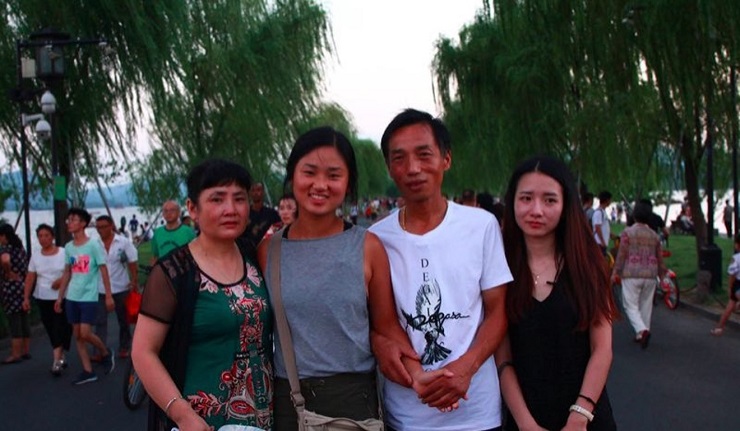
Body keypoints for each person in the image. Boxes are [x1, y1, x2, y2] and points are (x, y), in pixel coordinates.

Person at [257, 126, 412, 431]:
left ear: (348, 183)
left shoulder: (368, 247)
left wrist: (421, 374)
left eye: (333, 175)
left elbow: (387, 328)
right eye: (309, 172)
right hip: (289, 404)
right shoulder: (268, 251)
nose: (320, 185)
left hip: (353, 404)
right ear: (292, 177)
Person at [370, 109, 512, 431]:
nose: (413, 168)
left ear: (446, 159)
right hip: (408, 415)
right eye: (399, 158)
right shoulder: (376, 239)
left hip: (477, 413)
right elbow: (380, 323)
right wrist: (411, 371)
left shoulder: (481, 226)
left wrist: (466, 368)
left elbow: (498, 311)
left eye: (424, 154)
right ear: (389, 168)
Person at [132, 159, 273, 431]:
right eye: (217, 199)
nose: (230, 209)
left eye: (239, 199)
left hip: (262, 415)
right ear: (192, 209)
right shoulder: (174, 272)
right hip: (200, 421)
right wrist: (183, 415)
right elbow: (143, 351)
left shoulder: (253, 255)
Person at [495, 156, 617, 430]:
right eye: (526, 198)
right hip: (525, 419)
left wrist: (580, 415)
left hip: (587, 418)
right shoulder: (499, 268)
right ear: (512, 202)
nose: (536, 210)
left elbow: (602, 349)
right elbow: (503, 360)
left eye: (549, 200)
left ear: (565, 205)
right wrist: (526, 424)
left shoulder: (588, 265)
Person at [55, 208, 115, 384]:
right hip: (72, 297)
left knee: (85, 332)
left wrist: (109, 295)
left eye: (73, 220)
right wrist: (60, 297)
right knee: (78, 335)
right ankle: (88, 371)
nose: (69, 223)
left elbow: (103, 270)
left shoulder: (93, 245)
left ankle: (105, 352)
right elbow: (67, 272)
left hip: (88, 297)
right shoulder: (69, 247)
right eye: (68, 220)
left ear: (83, 224)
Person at [611, 201, 665, 348]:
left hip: (631, 272)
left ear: (634, 215)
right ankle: (642, 332)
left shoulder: (627, 233)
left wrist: (615, 272)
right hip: (650, 274)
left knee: (630, 304)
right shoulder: (654, 235)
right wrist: (662, 275)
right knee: (646, 304)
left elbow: (621, 255)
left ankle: (641, 330)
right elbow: (660, 258)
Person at [22, 224, 73, 375]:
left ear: (52, 237)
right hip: (43, 296)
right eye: (40, 236)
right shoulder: (36, 256)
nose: (43, 239)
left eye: (46, 235)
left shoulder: (63, 252)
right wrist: (26, 297)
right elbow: (30, 277)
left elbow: (72, 271)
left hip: (62, 296)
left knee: (62, 327)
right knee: (50, 327)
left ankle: (57, 361)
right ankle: (59, 357)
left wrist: (61, 280)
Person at [93, 215, 138, 359]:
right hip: (100, 288)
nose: (101, 230)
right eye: (98, 227)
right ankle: (100, 350)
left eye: (104, 227)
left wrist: (134, 280)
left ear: (111, 226)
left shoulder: (123, 242)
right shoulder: (95, 244)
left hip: (121, 287)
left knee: (123, 320)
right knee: (100, 321)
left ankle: (124, 346)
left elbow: (132, 261)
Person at [0, 224, 30, 364]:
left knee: (14, 320)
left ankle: (15, 353)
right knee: (24, 318)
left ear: (3, 236)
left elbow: (5, 260)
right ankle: (25, 351)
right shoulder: (20, 249)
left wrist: (8, 272)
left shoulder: (6, 249)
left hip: (10, 288)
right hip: (22, 286)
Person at [711, 233, 740, 336]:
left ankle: (719, 327)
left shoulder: (736, 258)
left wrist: (730, 287)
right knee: (731, 305)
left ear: (737, 245)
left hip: (737, 284)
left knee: (730, 306)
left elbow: (732, 275)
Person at [243, 182, 280, 247]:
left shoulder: (272, 214)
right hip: (247, 249)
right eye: (253, 190)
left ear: (263, 192)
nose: (255, 193)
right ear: (249, 193)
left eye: (258, 190)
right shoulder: (244, 214)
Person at [592, 191, 612, 256]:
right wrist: (602, 242)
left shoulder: (603, 212)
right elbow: (597, 228)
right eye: (610, 200)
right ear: (607, 200)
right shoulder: (598, 213)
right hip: (599, 243)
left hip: (602, 244)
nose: (610, 201)